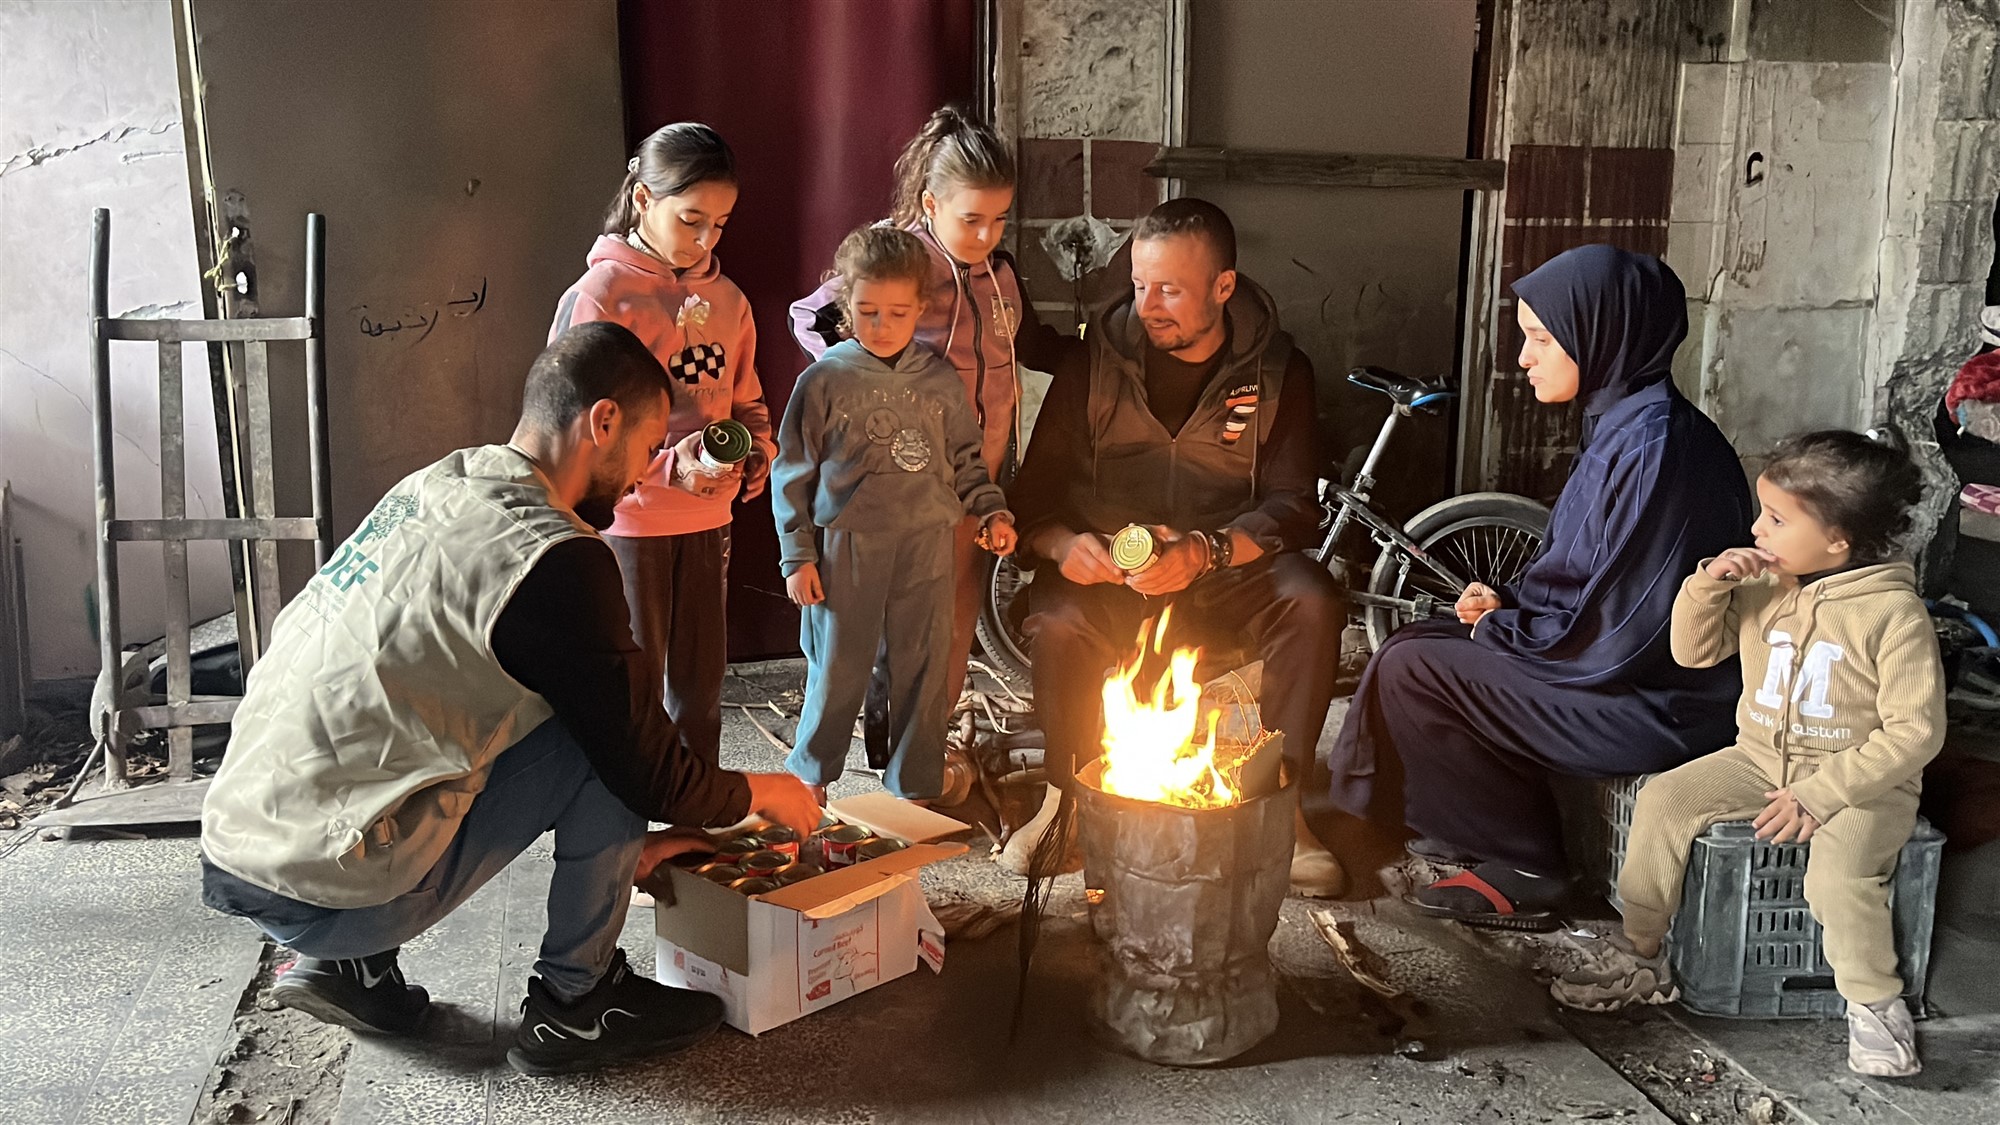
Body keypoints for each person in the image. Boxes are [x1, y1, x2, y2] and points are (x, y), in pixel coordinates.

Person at [198, 323, 820, 1077]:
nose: (646, 472)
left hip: (245, 844)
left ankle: (349, 969)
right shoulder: (557, 558)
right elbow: (645, 769)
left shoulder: (441, 482)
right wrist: (763, 791)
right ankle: (577, 1005)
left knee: (480, 703)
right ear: (602, 422)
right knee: (602, 735)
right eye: (650, 446)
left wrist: (631, 848)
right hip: (334, 884)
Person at [1326, 244, 1753, 927]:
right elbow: (1587, 578)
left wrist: (1501, 629)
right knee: (1419, 639)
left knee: (1419, 666)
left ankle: (1528, 863)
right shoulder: (1620, 424)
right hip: (1611, 673)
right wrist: (1509, 606)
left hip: (1655, 702)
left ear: (1602, 334)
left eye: (1541, 339)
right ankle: (1424, 816)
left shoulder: (1661, 451)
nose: (1524, 358)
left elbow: (1620, 637)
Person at [1552, 430, 1941, 1079]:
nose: (1756, 527)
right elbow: (1693, 652)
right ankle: (1643, 950)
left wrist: (1823, 793)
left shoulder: (1894, 615)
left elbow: (1915, 732)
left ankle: (1876, 1003)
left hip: (1863, 782)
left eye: (1777, 518)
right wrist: (1709, 584)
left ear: (1838, 541)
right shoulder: (1767, 582)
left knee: (1838, 879)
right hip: (1757, 758)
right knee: (1665, 799)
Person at [1003, 197, 1347, 893]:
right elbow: (1031, 495)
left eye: (1169, 289)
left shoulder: (1280, 370)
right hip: (1108, 578)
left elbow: (1293, 509)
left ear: (1223, 287)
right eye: (1138, 285)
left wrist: (1208, 549)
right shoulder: (1092, 363)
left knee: (1311, 600)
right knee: (1058, 617)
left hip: (1220, 573)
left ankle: (1283, 813)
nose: (1147, 305)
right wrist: (1065, 543)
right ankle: (1064, 801)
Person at [790, 105, 1073, 769]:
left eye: (999, 218)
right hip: (905, 490)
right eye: (970, 218)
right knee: (893, 633)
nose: (986, 232)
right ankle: (872, 763)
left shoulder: (1000, 276)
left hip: (978, 483)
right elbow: (813, 318)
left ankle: (925, 761)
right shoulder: (903, 262)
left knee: (952, 626)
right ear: (929, 203)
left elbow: (1027, 349)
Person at [551, 122, 775, 768]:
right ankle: (623, 829)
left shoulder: (728, 301)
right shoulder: (601, 297)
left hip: (708, 522)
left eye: (721, 225)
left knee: (701, 692)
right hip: (629, 526)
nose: (706, 240)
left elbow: (746, 398)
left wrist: (757, 449)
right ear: (643, 200)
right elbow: (572, 429)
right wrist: (661, 467)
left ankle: (691, 820)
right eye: (691, 220)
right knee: (631, 686)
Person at [772, 225, 1019, 800]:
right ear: (846, 305)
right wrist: (797, 557)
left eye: (897, 313)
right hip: (848, 548)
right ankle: (809, 781)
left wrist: (990, 512)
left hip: (927, 544)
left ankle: (914, 788)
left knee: (924, 668)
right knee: (837, 669)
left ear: (922, 310)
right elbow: (792, 471)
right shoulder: (824, 379)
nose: (881, 326)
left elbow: (965, 458)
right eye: (867, 311)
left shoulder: (936, 379)